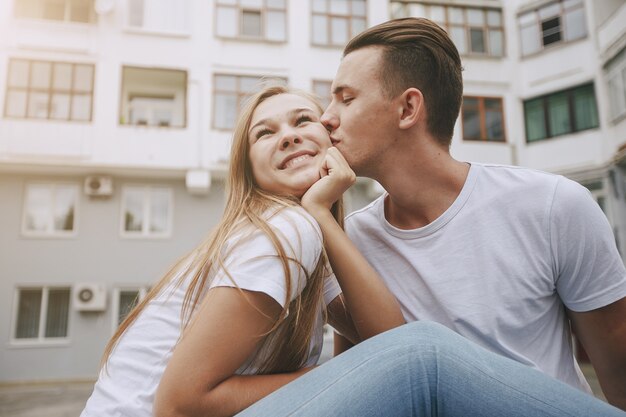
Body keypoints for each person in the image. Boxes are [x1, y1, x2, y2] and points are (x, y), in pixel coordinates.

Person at [317, 17, 625, 409]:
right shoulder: (354, 239)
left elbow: (618, 371)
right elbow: (359, 383)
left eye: (346, 98)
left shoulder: (552, 206)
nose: (326, 117)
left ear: (408, 108)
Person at [80, 85, 405, 417]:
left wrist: (322, 214)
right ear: (249, 170)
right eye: (265, 133)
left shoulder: (301, 230)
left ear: (331, 141)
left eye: (303, 121)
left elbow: (392, 345)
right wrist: (330, 376)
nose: (288, 137)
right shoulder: (286, 231)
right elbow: (179, 405)